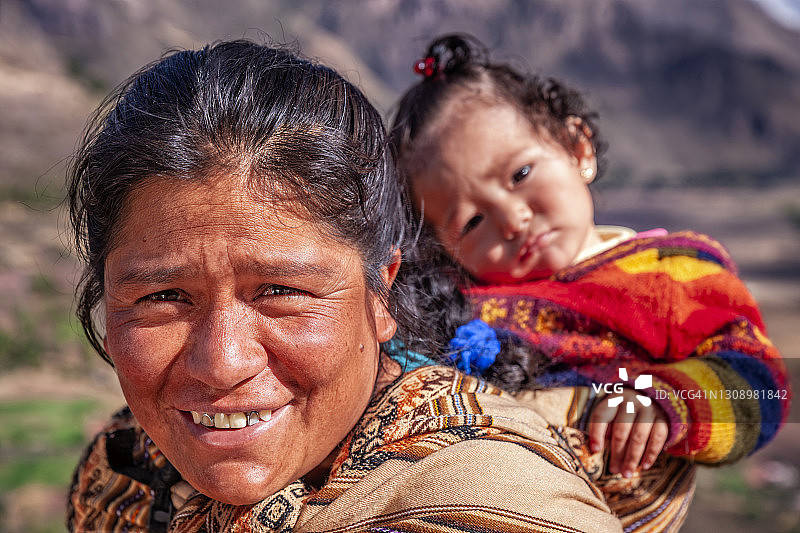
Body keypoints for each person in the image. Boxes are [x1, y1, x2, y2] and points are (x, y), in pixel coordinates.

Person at [65, 40, 624, 532]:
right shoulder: (119, 477)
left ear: (381, 292)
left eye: (280, 291)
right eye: (162, 298)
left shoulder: (486, 494)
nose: (222, 362)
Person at [390, 34, 791, 531]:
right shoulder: (452, 301)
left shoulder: (669, 274)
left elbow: (760, 385)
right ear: (439, 245)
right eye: (472, 222)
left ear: (577, 147)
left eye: (519, 173)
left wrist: (665, 401)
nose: (512, 219)